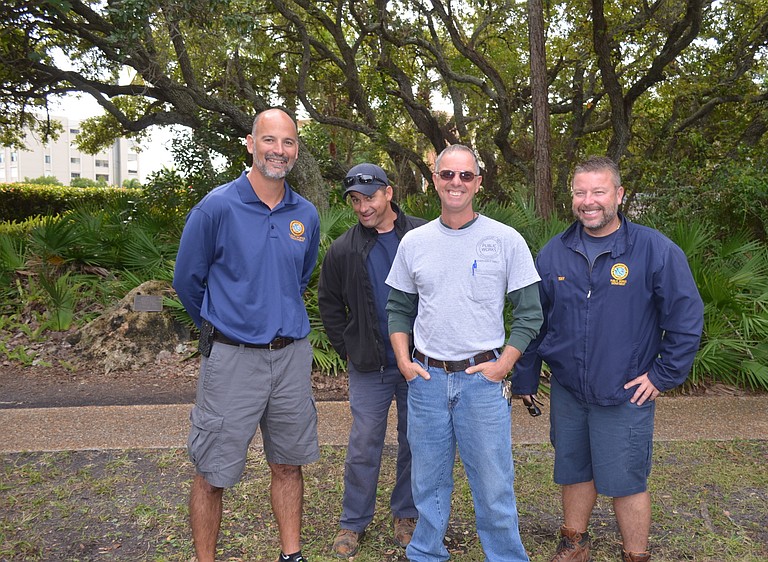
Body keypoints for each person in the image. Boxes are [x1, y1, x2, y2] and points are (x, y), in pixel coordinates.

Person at [512, 156, 704, 562]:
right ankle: (574, 544)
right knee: (574, 469)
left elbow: (686, 318)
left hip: (625, 392)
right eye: (580, 192)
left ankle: (635, 554)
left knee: (626, 480)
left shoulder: (654, 250)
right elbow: (534, 320)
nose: (589, 201)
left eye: (598, 191)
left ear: (618, 194)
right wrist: (526, 380)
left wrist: (662, 375)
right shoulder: (554, 253)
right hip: (569, 390)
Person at [173, 108, 320, 562]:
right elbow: (187, 281)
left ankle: (291, 555)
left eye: (288, 142)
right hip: (232, 360)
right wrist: (226, 326)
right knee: (212, 471)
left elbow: (301, 277)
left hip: (290, 357)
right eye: (270, 140)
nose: (279, 150)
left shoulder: (306, 214)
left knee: (288, 464)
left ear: (296, 149)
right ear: (250, 144)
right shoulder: (217, 206)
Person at [385, 144, 543, 562]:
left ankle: (507, 557)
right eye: (448, 175)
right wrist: (404, 362)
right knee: (428, 483)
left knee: (493, 484)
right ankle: (426, 554)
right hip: (427, 380)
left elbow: (529, 313)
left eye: (465, 176)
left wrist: (505, 364)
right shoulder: (414, 242)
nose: (456, 183)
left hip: (481, 382)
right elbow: (399, 308)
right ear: (434, 180)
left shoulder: (506, 239)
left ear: (479, 182)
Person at [317, 163, 425, 557]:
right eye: (356, 200)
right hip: (370, 366)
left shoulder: (422, 234)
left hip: (418, 362)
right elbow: (328, 302)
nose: (363, 207)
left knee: (415, 440)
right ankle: (353, 522)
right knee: (364, 443)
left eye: (370, 197)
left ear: (389, 193)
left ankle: (407, 513)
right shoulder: (344, 248)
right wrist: (347, 348)